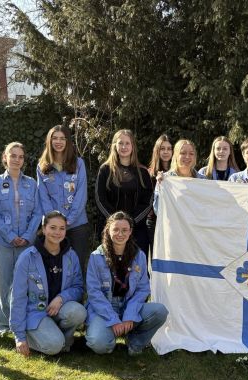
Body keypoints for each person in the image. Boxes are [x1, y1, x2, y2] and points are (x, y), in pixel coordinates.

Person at [85, 212, 169, 355]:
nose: (120, 234)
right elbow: (94, 293)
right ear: (108, 230)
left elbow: (143, 289)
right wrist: (113, 320)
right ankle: (108, 337)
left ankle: (135, 343)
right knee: (99, 344)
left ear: (130, 232)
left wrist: (130, 315)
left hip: (128, 305)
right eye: (116, 230)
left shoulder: (139, 255)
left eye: (124, 230)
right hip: (105, 308)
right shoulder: (96, 257)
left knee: (160, 311)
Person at [10, 211, 87, 356]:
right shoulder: (27, 257)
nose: (57, 232)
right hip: (36, 313)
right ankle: (33, 336)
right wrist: (19, 336)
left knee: (78, 312)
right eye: (52, 227)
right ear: (44, 229)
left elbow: (78, 287)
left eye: (62, 228)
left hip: (59, 310)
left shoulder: (71, 255)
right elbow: (18, 297)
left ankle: (64, 341)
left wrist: (61, 298)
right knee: (53, 346)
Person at [0, 142, 41, 336]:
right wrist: (10, 236)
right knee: (3, 283)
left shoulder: (32, 184)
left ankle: (23, 321)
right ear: (5, 157)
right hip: (3, 242)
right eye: (13, 155)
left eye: (20, 156)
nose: (17, 160)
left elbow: (38, 212)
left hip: (27, 243)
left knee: (25, 283)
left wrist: (27, 236)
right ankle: (3, 325)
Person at [37, 125, 91, 271]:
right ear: (49, 141)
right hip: (53, 228)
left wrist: (68, 220)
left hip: (77, 225)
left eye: (62, 138)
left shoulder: (78, 163)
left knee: (76, 267)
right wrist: (54, 222)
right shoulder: (42, 166)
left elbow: (81, 195)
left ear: (68, 141)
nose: (58, 142)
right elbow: (43, 197)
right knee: (54, 267)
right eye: (55, 138)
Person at [95, 129, 154, 257]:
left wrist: (130, 223)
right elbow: (100, 199)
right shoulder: (105, 170)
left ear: (133, 146)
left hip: (137, 231)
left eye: (127, 143)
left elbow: (148, 201)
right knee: (110, 266)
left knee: (137, 267)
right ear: (115, 146)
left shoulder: (143, 172)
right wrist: (115, 222)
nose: (124, 147)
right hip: (111, 230)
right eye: (120, 143)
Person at [153, 139, 206, 213]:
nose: (187, 156)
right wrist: (159, 187)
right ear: (176, 156)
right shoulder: (165, 179)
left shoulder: (203, 180)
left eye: (191, 153)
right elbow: (157, 210)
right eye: (183, 153)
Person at [146, 135, 173, 255]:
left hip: (174, 221)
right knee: (156, 256)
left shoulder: (178, 173)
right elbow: (147, 200)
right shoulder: (149, 173)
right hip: (154, 222)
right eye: (162, 148)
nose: (166, 152)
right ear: (157, 151)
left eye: (169, 149)